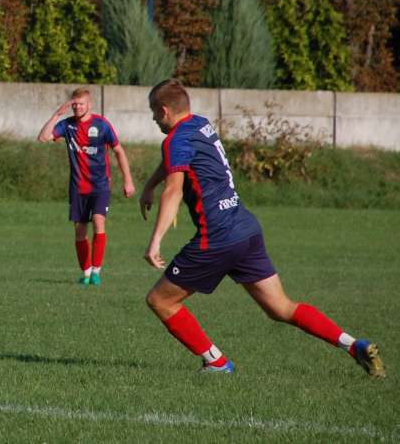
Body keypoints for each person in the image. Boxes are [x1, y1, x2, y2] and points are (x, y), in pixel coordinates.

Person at [139, 78, 385, 377]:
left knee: (161, 300)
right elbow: (176, 161)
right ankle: (353, 344)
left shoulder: (175, 139)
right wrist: (150, 185)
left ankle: (216, 362)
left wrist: (155, 242)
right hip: (245, 228)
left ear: (164, 110)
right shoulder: (200, 125)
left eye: (154, 112)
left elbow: (174, 190)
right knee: (281, 308)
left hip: (217, 236)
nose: (153, 118)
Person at [37, 88, 135, 285]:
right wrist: (57, 114)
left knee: (99, 223)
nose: (77, 107)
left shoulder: (102, 125)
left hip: (100, 185)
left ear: (89, 105)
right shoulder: (67, 125)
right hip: (78, 187)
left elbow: (118, 151)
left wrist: (128, 180)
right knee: (80, 231)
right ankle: (87, 273)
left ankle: (97, 272)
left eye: (81, 104)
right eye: (74, 104)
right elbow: (43, 137)